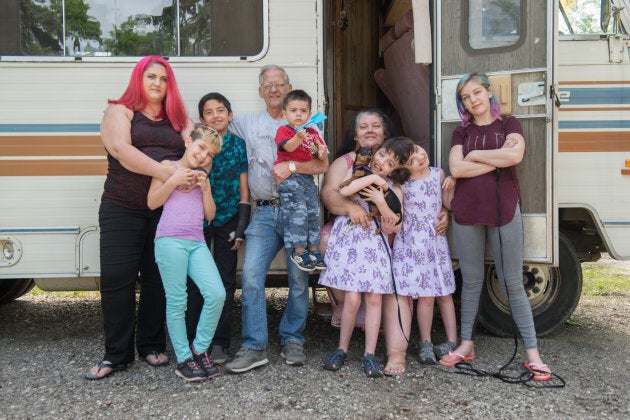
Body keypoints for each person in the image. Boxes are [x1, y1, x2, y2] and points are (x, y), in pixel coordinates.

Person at [85, 56, 195, 380]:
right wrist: (166, 171)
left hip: (164, 211)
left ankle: (150, 344)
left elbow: (197, 147)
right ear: (139, 79)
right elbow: (121, 149)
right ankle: (115, 354)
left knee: (156, 280)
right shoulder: (119, 111)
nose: (157, 83)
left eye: (163, 78)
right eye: (151, 76)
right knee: (117, 280)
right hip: (122, 206)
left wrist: (193, 162)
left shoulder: (178, 118)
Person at [439, 72, 552, 381]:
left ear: (488, 92)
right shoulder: (460, 133)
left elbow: (515, 155)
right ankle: (466, 344)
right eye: (465, 96)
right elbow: (457, 167)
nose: (473, 99)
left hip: (505, 209)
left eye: (477, 92)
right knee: (472, 281)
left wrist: (476, 155)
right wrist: (495, 159)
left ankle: (533, 354)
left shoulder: (509, 124)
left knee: (512, 282)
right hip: (466, 210)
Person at [225, 65, 328, 373]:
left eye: (279, 84)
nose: (273, 89)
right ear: (261, 92)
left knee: (299, 278)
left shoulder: (306, 124)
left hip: (297, 208)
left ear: (288, 87)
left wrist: (294, 168)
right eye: (267, 85)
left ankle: (292, 338)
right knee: (252, 277)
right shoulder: (247, 123)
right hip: (265, 211)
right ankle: (255, 345)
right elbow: (214, 124)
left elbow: (323, 165)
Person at [320, 137, 416, 378]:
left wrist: (381, 201)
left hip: (375, 245)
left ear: (397, 170)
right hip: (351, 242)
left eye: (391, 162)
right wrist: (373, 179)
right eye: (382, 154)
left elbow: (393, 226)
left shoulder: (393, 189)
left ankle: (369, 354)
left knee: (374, 299)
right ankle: (342, 348)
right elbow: (343, 190)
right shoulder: (360, 173)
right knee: (352, 299)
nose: (382, 161)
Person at [148, 125, 226, 382]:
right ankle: (183, 359)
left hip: (196, 241)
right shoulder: (167, 166)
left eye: (210, 154)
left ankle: (199, 349)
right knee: (177, 300)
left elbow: (210, 215)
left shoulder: (204, 175)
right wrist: (173, 180)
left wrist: (206, 190)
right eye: (201, 147)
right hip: (170, 240)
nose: (204, 156)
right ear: (188, 142)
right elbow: (152, 202)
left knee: (216, 293)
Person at [185, 92, 249, 365]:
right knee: (195, 282)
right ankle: (194, 341)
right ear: (201, 119)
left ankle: (221, 342)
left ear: (230, 114)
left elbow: (244, 189)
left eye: (221, 110)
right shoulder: (196, 145)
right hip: (196, 221)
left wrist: (242, 226)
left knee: (224, 280)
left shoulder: (237, 145)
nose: (215, 115)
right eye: (208, 112)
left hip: (227, 221)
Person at [388, 144, 457, 372]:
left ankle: (452, 341)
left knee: (444, 293)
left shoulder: (438, 174)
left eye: (418, 150)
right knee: (425, 296)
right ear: (403, 168)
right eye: (413, 159)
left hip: (434, 240)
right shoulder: (400, 184)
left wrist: (448, 198)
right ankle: (425, 342)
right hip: (412, 241)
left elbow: (446, 204)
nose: (420, 156)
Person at [274, 89, 329, 271]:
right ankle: (299, 252)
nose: (298, 114)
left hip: (307, 179)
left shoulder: (312, 132)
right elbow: (288, 149)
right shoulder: (284, 131)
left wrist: (320, 151)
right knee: (298, 214)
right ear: (284, 113)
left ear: (309, 114)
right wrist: (298, 137)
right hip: (290, 180)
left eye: (303, 111)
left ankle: (314, 251)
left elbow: (318, 158)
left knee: (313, 213)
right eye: (294, 110)